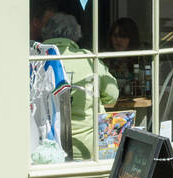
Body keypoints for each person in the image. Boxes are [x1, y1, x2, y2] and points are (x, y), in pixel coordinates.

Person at [42, 12, 118, 160]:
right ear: (76, 34)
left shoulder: (36, 59)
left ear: (46, 34)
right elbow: (112, 96)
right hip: (88, 149)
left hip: (47, 149)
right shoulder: (88, 59)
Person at [106, 17, 144, 97]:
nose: (118, 40)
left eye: (123, 36)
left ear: (131, 38)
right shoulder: (105, 59)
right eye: (115, 36)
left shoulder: (139, 59)